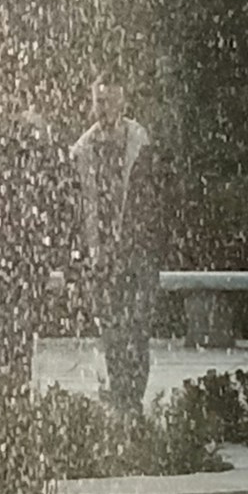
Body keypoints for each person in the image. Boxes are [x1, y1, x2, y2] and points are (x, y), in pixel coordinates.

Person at [0, 112, 69, 408]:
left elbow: (36, 251)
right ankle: (9, 416)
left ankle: (12, 416)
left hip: (12, 297)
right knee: (3, 360)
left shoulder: (20, 200)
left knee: (15, 360)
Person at [70, 78, 164, 415]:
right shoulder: (83, 150)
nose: (103, 107)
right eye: (98, 100)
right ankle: (121, 396)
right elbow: (78, 208)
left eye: (109, 100)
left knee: (137, 330)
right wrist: (85, 253)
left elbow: (156, 203)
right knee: (111, 331)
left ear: (122, 103)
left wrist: (149, 247)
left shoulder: (142, 145)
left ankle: (132, 399)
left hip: (137, 254)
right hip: (104, 256)